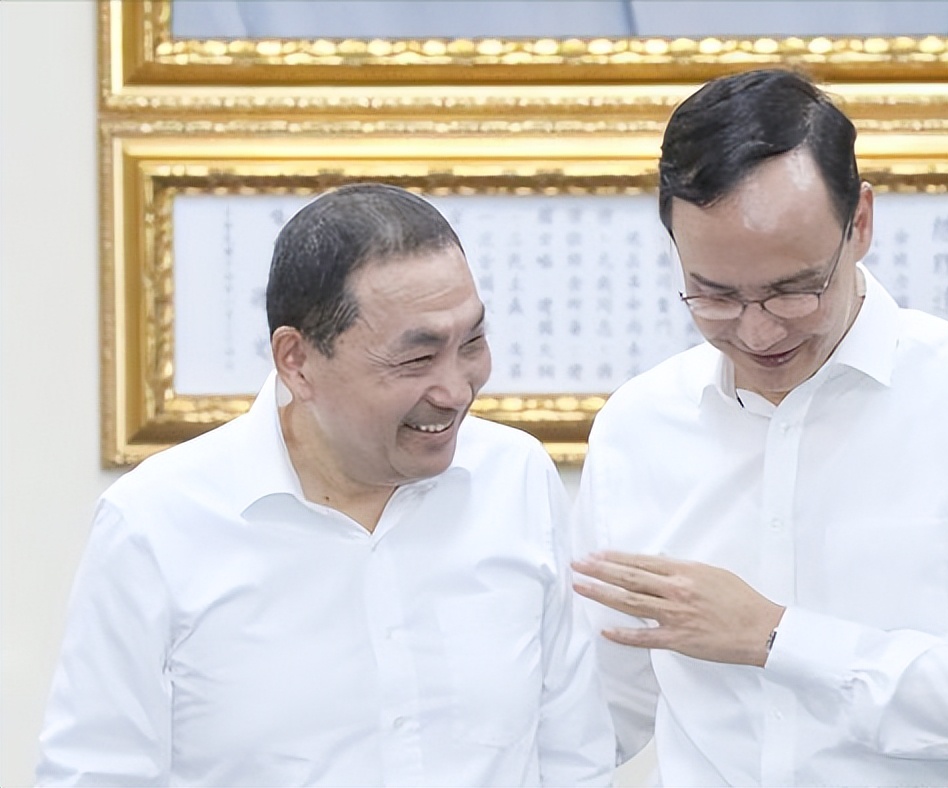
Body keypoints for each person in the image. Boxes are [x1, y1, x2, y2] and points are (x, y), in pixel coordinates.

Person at [572, 68, 948, 787]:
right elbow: (603, 708)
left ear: (862, 224)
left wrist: (777, 638)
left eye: (793, 290)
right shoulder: (640, 425)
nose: (757, 331)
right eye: (716, 295)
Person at [37, 183, 614, 787]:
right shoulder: (156, 522)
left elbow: (574, 755)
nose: (455, 389)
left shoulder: (515, 479)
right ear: (297, 361)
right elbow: (95, 772)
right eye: (415, 360)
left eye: (471, 342)